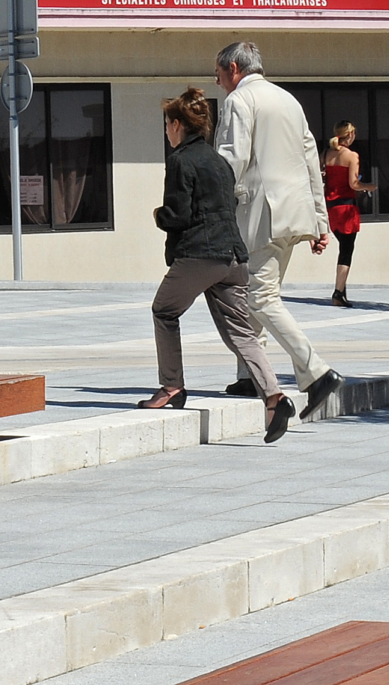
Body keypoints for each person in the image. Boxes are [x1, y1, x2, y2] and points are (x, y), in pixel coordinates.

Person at [141, 88, 294, 442]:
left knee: (164, 311)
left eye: (167, 124)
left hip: (200, 254)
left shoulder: (180, 160)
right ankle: (274, 397)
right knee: (241, 332)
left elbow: (178, 214)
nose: (167, 131)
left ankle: (171, 386)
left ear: (177, 125)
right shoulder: (219, 161)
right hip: (234, 256)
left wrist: (159, 215)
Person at [212, 40, 343, 419]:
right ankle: (250, 375)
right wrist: (320, 221)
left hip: (260, 215)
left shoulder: (239, 100)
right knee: (254, 291)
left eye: (218, 73)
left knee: (260, 298)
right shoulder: (289, 100)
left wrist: (210, 204)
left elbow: (231, 160)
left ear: (233, 68)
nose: (217, 81)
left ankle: (317, 372)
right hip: (292, 214)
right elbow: (310, 161)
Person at [321, 122, 376, 309]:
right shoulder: (352, 156)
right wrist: (369, 186)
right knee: (346, 250)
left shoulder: (326, 154)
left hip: (331, 207)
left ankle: (341, 290)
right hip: (346, 207)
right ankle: (338, 292)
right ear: (350, 135)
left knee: (343, 247)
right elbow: (354, 184)